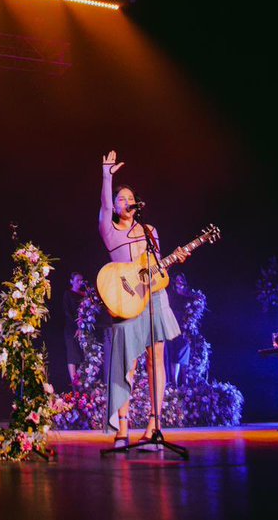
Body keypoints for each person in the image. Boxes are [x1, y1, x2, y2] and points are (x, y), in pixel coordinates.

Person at [99, 150, 187, 447]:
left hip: (153, 297)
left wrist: (175, 260)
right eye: (119, 198)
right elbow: (102, 203)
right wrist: (107, 175)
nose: (124, 201)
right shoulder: (109, 230)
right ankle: (123, 427)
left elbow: (156, 267)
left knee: (156, 359)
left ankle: (154, 423)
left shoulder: (150, 231)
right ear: (113, 205)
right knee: (126, 363)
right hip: (126, 300)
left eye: (128, 197)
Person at [63, 272, 87, 388]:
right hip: (71, 328)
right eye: (77, 280)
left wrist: (82, 327)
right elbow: (68, 313)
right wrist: (76, 327)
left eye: (81, 280)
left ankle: (84, 381)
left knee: (83, 355)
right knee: (72, 354)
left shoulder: (84, 295)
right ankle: (74, 382)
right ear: (71, 281)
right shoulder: (68, 294)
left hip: (84, 329)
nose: (80, 283)